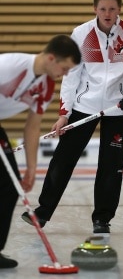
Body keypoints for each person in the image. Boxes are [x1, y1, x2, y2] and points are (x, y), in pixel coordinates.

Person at [22, 0, 123, 238]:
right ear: (95, 9)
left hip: (118, 110)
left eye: (112, 9)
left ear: (120, 9)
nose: (108, 13)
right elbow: (71, 76)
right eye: (103, 8)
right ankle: (43, 212)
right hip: (84, 107)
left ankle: (102, 219)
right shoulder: (80, 34)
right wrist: (64, 112)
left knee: (111, 165)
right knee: (63, 159)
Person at [0, 34, 81, 268]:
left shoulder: (45, 85)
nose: (64, 74)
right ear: (51, 58)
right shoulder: (10, 66)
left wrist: (31, 169)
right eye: (64, 68)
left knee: (9, 185)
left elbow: (32, 127)